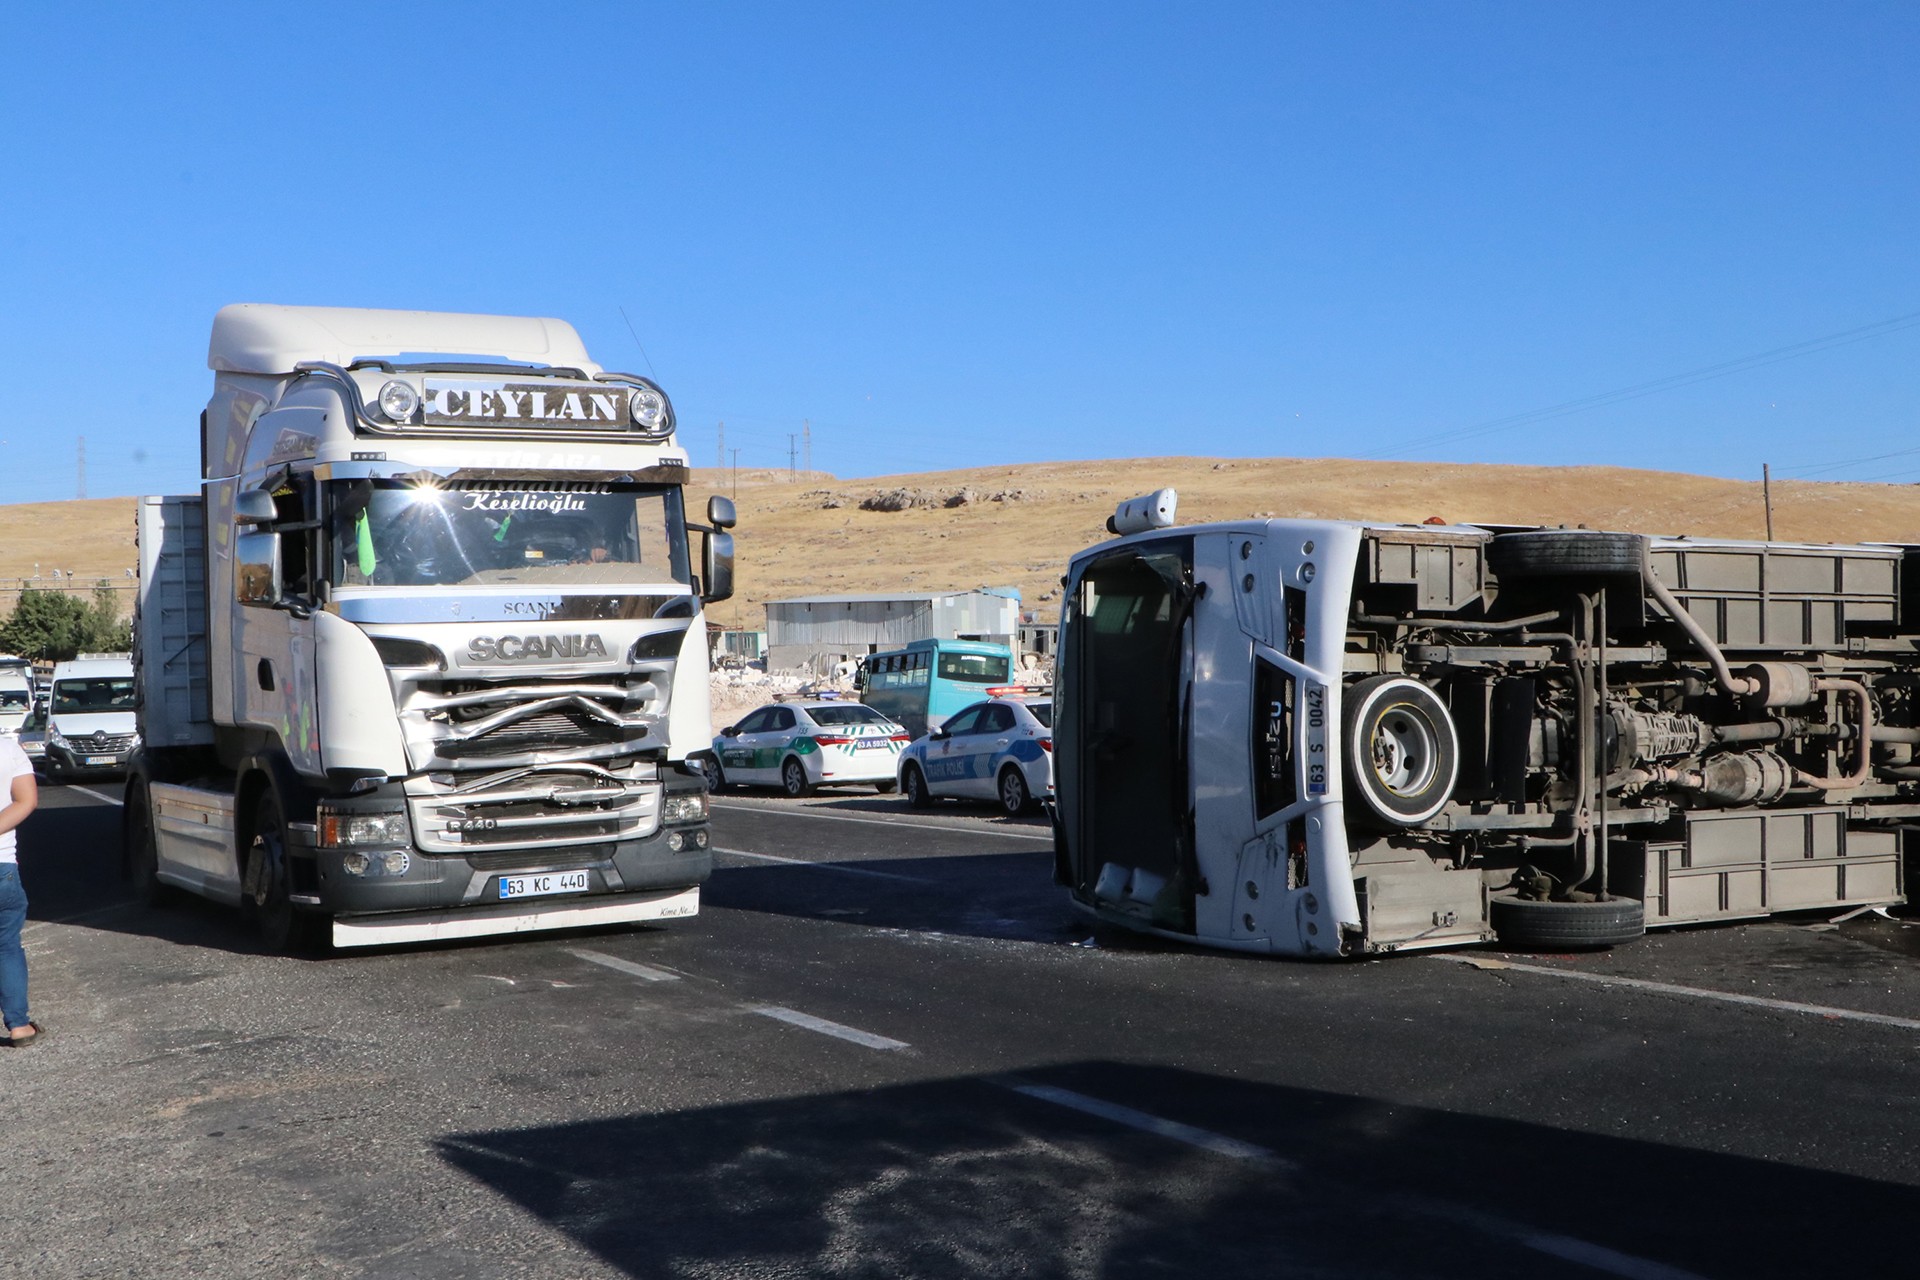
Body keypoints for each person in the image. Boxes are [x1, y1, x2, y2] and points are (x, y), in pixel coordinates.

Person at [0, 727, 41, 1046]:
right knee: (6, 945)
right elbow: (26, 800)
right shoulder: (9, 750)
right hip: (2, 866)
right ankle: (18, 1025)